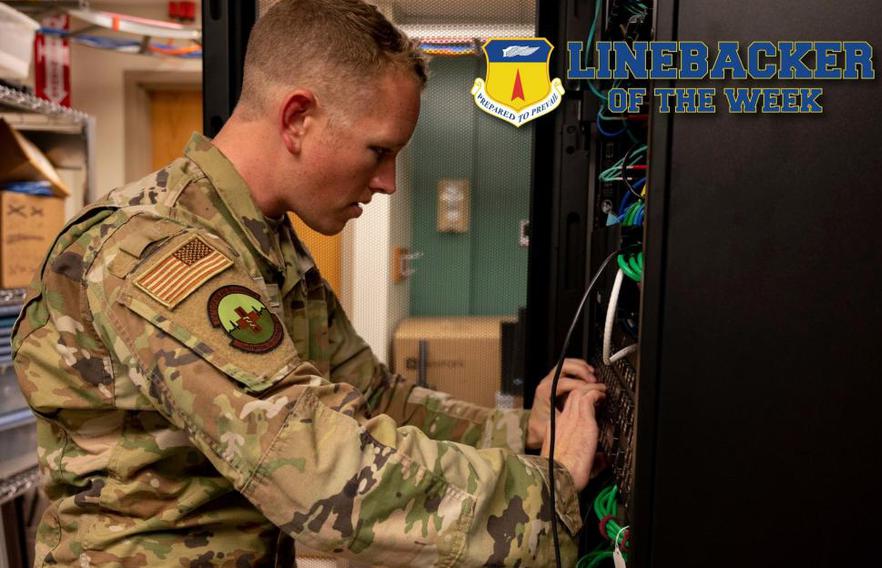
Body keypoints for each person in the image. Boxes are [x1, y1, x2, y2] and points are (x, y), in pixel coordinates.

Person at [13, 0, 605, 566]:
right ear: (298, 118)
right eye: (379, 151)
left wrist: (521, 428)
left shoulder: (265, 244)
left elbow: (372, 399)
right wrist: (541, 492)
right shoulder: (158, 250)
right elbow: (315, 469)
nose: (388, 182)